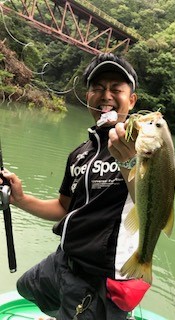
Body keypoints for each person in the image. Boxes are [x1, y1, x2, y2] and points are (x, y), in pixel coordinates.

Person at [0, 53, 150, 320]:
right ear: (88, 96)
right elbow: (63, 207)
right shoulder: (81, 153)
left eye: (116, 89)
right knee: (28, 286)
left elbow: (152, 205)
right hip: (65, 261)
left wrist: (131, 161)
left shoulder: (144, 145)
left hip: (99, 278)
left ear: (132, 100)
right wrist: (19, 199)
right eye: (98, 88)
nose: (106, 96)